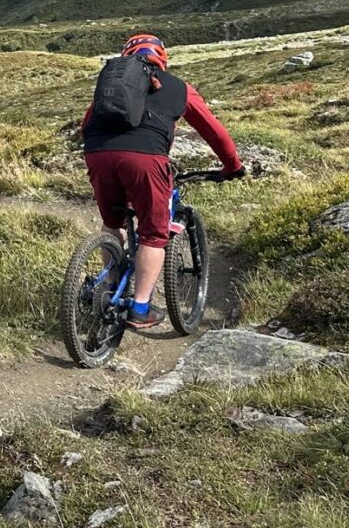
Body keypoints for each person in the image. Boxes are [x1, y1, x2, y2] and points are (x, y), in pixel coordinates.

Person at [82, 33, 243, 330]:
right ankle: (140, 308)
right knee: (154, 235)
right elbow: (214, 132)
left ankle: (110, 287)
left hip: (97, 154)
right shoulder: (179, 88)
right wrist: (232, 165)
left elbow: (87, 122)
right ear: (163, 59)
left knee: (113, 222)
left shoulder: (113, 85)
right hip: (146, 160)